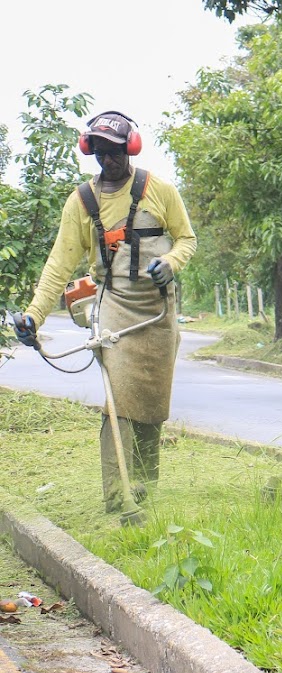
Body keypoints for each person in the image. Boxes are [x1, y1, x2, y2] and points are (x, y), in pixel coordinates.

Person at [17, 110, 197, 513]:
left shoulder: (159, 189)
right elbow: (58, 266)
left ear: (130, 147)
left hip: (158, 314)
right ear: (90, 150)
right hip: (114, 309)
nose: (108, 159)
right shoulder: (81, 202)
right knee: (119, 404)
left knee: (151, 409)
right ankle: (118, 500)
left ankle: (146, 492)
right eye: (99, 151)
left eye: (115, 151)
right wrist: (35, 315)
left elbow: (186, 239)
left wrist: (170, 262)